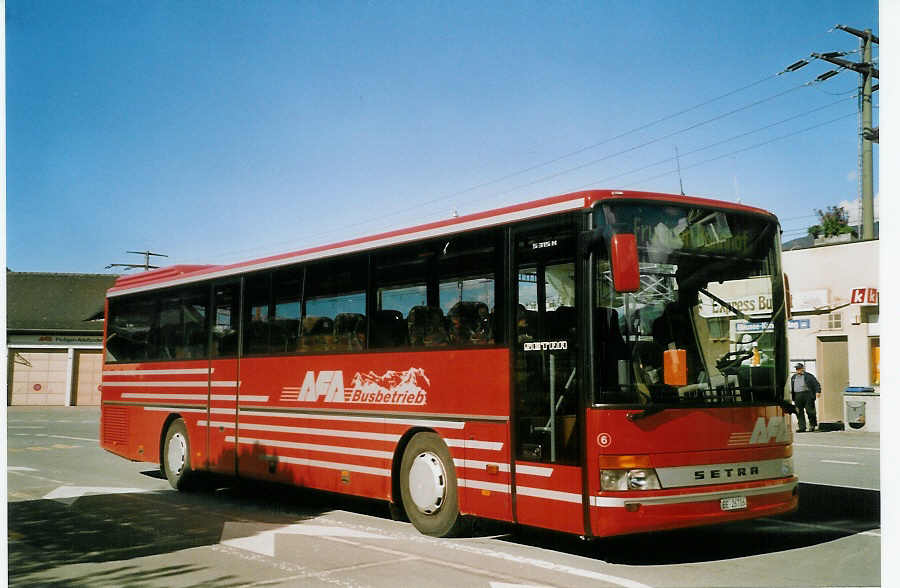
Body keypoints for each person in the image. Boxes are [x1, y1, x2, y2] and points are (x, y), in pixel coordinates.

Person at [791, 363, 821, 432]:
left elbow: (816, 384)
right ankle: (802, 427)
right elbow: (792, 387)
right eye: (797, 369)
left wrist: (818, 391)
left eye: (799, 368)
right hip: (797, 395)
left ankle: (812, 425)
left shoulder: (809, 376)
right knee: (799, 412)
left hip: (807, 395)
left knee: (810, 411)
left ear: (802, 368)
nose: (798, 370)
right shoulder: (793, 377)